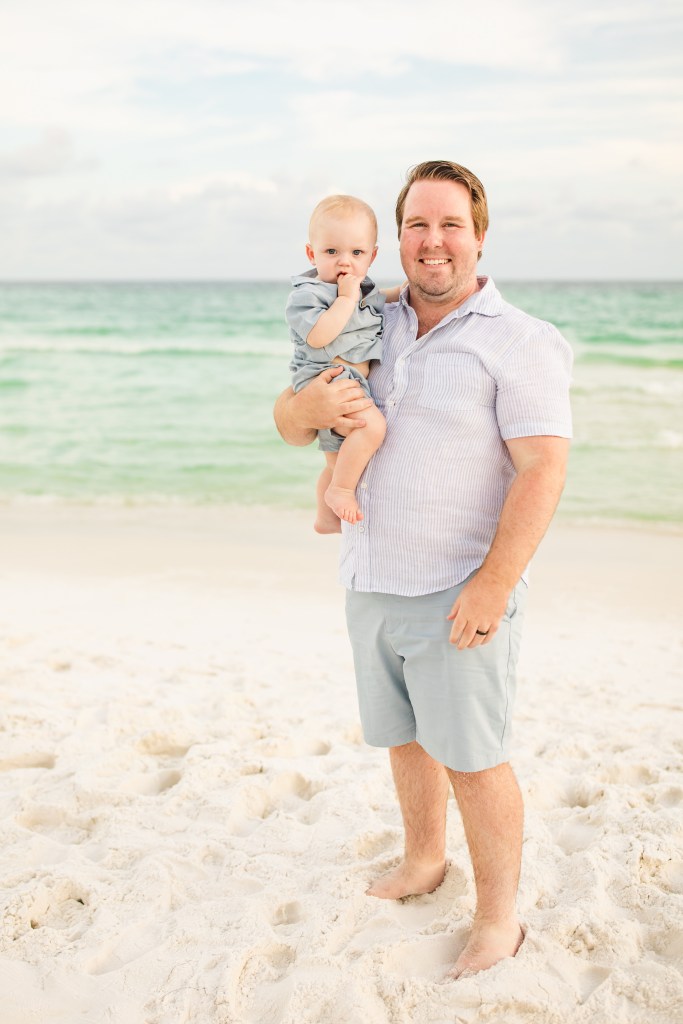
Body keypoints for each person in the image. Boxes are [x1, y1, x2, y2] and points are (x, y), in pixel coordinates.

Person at [273, 160, 572, 979]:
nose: (432, 241)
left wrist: (493, 585)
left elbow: (542, 470)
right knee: (404, 740)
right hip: (371, 575)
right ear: (395, 237)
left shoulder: (520, 340)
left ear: (479, 237)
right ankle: (423, 860)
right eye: (416, 224)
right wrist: (301, 409)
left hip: (459, 589)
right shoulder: (370, 313)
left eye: (450, 225)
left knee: (473, 759)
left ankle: (498, 920)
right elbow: (292, 422)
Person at [287, 195, 401, 532]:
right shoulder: (308, 295)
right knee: (373, 427)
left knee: (336, 461)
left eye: (357, 253)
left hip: (349, 382)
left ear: (372, 256)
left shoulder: (361, 291)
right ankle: (340, 491)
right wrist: (347, 299)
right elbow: (319, 335)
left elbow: (382, 299)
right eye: (331, 251)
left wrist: (405, 291)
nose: (344, 263)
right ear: (312, 254)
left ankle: (325, 519)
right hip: (326, 379)